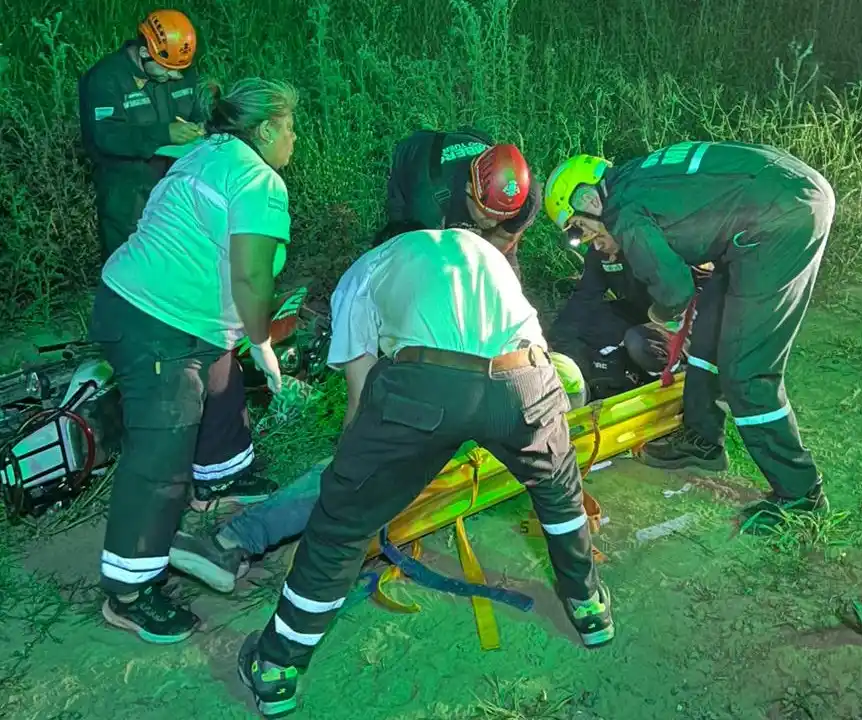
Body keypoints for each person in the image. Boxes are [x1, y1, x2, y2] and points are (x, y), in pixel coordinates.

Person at [231, 227, 611, 717]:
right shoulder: (484, 254)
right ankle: (589, 609)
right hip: (526, 379)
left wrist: (357, 479)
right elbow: (536, 362)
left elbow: (359, 397)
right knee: (560, 499)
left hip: (425, 388)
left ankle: (276, 668)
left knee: (340, 527)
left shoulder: (362, 274)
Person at [87, 77, 299, 643]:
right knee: (160, 454)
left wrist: (238, 339)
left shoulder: (212, 150)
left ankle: (222, 476)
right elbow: (251, 275)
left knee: (220, 377)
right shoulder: (259, 180)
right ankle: (130, 590)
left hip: (154, 306)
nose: (294, 138)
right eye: (289, 126)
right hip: (155, 322)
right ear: (264, 130)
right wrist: (263, 341)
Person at [544, 142, 835, 533]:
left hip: (781, 215)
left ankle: (802, 495)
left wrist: (656, 315)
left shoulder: (623, 213)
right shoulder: (633, 180)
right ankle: (703, 438)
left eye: (578, 230)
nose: (588, 243)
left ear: (588, 199)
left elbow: (675, 290)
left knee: (747, 371)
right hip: (772, 204)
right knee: (710, 335)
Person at [167, 349, 589, 594]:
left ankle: (234, 542)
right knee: (334, 478)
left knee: (333, 479)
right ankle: (238, 542)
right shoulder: (544, 435)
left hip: (440, 447)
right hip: (455, 439)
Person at [78, 9, 206, 264]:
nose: (176, 76)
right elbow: (105, 135)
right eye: (168, 69)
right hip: (128, 189)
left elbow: (197, 108)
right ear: (146, 51)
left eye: (181, 69)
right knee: (128, 262)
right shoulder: (106, 78)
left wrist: (203, 125)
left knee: (178, 257)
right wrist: (164, 134)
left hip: (177, 184)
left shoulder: (179, 68)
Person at [547, 239, 712, 400]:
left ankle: (679, 374)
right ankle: (624, 372)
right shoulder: (599, 253)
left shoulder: (658, 240)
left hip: (687, 319)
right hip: (641, 312)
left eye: (599, 237)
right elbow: (585, 297)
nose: (597, 244)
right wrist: (556, 339)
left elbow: (706, 289)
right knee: (587, 323)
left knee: (640, 343)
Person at [377, 127, 542, 278]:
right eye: (487, 214)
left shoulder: (527, 196)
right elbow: (429, 262)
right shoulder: (432, 201)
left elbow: (503, 238)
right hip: (416, 163)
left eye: (502, 217)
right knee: (406, 261)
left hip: (470, 141)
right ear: (469, 189)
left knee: (505, 277)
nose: (493, 223)